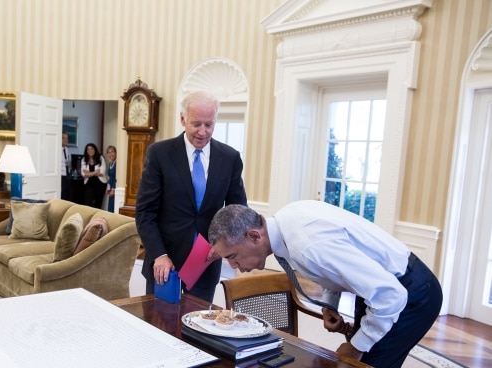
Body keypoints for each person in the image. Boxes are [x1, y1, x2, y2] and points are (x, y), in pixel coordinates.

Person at [207, 201, 443, 368]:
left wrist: (357, 347)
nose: (234, 265)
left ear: (254, 236)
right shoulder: (287, 220)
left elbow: (391, 296)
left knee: (362, 363)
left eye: (232, 255)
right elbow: (338, 261)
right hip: (378, 291)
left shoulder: (308, 246)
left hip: (410, 296)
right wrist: (330, 302)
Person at [135, 90, 247, 303]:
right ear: (182, 119)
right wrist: (159, 254)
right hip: (165, 262)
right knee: (160, 326)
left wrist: (223, 244)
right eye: (196, 124)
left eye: (209, 124)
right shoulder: (159, 154)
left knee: (198, 327)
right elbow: (145, 212)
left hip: (207, 261)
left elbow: (238, 210)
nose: (203, 132)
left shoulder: (229, 158)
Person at [81, 143, 107, 208]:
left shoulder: (100, 158)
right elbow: (84, 174)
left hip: (100, 183)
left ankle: (97, 217)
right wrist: (95, 172)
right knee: (87, 203)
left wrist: (89, 173)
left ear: (95, 149)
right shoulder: (84, 159)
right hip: (89, 183)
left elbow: (102, 172)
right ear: (86, 151)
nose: (90, 151)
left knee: (98, 203)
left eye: (92, 149)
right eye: (88, 149)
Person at [105, 145, 117, 213]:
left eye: (112, 152)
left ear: (115, 153)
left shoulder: (117, 163)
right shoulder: (110, 163)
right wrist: (108, 188)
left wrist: (113, 189)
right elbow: (110, 177)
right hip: (111, 187)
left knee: (113, 207)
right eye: (109, 152)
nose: (110, 154)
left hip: (115, 188)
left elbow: (116, 178)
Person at [61, 133, 71, 200]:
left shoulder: (66, 149)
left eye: (66, 138)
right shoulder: (57, 149)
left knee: (67, 193)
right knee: (62, 194)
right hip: (61, 175)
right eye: (63, 138)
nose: (65, 140)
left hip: (67, 174)